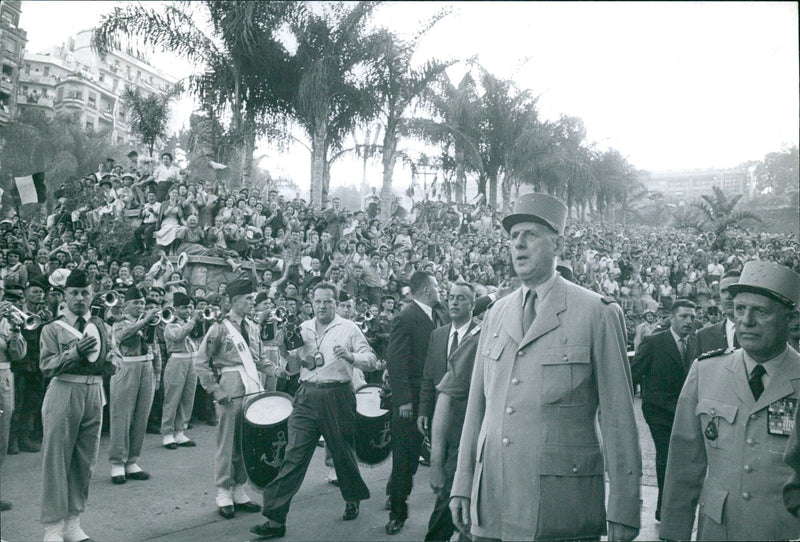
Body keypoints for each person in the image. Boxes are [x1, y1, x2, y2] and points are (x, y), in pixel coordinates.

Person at [450, 193, 641, 541]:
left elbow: (618, 419)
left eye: (531, 235)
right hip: (491, 501)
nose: (519, 244)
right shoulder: (496, 313)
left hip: (560, 507)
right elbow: (478, 408)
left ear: (558, 244)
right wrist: (463, 484)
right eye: (513, 237)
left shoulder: (596, 313)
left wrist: (625, 507)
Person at [660, 261, 800, 540]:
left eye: (760, 311)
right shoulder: (706, 371)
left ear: (790, 318)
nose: (745, 321)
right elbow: (684, 465)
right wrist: (673, 533)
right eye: (739, 309)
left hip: (783, 531)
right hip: (718, 529)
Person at [251, 282, 381, 539]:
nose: (322, 306)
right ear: (311, 303)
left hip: (338, 395)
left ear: (336, 303)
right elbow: (294, 367)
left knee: (342, 452)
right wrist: (285, 351)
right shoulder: (302, 328)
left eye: (328, 302)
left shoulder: (349, 328)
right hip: (306, 396)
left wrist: (351, 357)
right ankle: (275, 520)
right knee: (293, 455)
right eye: (318, 301)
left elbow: (372, 359)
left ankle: (352, 497)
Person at [38, 270, 119, 541]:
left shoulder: (103, 326)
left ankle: (73, 523)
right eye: (74, 293)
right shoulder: (53, 328)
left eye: (85, 292)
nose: (80, 298)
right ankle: (52, 527)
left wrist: (111, 362)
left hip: (94, 392)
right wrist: (75, 352)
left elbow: (114, 358)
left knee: (84, 461)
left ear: (92, 294)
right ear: (64, 295)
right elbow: (47, 365)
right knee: (56, 459)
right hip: (64, 390)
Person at [194, 279, 278, 519]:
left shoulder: (252, 326)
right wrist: (215, 389)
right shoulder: (219, 327)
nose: (252, 303)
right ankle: (223, 491)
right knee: (227, 439)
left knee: (247, 438)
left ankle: (239, 489)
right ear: (233, 301)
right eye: (248, 299)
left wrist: (274, 369)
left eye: (252, 299)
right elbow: (201, 361)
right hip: (230, 384)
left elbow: (259, 358)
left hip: (252, 383)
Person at [385, 270, 443, 535]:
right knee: (404, 457)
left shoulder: (438, 314)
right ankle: (397, 512)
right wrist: (404, 402)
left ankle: (394, 493)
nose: (441, 290)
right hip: (412, 399)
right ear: (428, 289)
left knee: (419, 455)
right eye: (438, 285)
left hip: (434, 396)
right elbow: (396, 362)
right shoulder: (405, 317)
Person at [418, 282, 477, 541]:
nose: (454, 303)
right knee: (444, 487)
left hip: (469, 422)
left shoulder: (482, 334)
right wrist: (424, 409)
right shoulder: (439, 334)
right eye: (451, 297)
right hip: (443, 423)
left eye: (461, 299)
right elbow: (429, 377)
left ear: (472, 305)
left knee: (450, 493)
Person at [630, 298, 696, 522]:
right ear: (672, 318)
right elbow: (634, 374)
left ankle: (673, 506)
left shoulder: (696, 343)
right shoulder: (654, 342)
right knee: (666, 455)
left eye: (692, 318)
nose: (689, 321)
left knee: (683, 458)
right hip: (658, 411)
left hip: (685, 410)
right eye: (684, 316)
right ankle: (664, 509)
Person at [109, 286, 160, 485]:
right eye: (136, 303)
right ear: (126, 305)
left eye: (142, 303)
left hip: (146, 366)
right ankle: (116, 462)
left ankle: (132, 460)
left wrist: (157, 372)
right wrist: (145, 320)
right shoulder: (119, 322)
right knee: (122, 416)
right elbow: (123, 336)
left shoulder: (149, 322)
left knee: (141, 416)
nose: (140, 306)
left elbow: (154, 347)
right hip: (126, 367)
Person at [160, 292, 199, 449]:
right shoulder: (170, 324)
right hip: (177, 361)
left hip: (192, 361)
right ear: (175, 309)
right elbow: (178, 337)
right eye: (184, 308)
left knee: (187, 397)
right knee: (173, 398)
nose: (188, 311)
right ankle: (167, 434)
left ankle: (180, 431)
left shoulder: (188, 323)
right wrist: (193, 321)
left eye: (190, 307)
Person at [0, 297, 28, 512]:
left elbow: (18, 355)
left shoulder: (8, 320)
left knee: (2, 436)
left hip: (4, 378)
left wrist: (16, 332)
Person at [691, 270, 740, 360]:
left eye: (733, 290)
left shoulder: (763, 332)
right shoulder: (703, 336)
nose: (728, 296)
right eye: (724, 291)